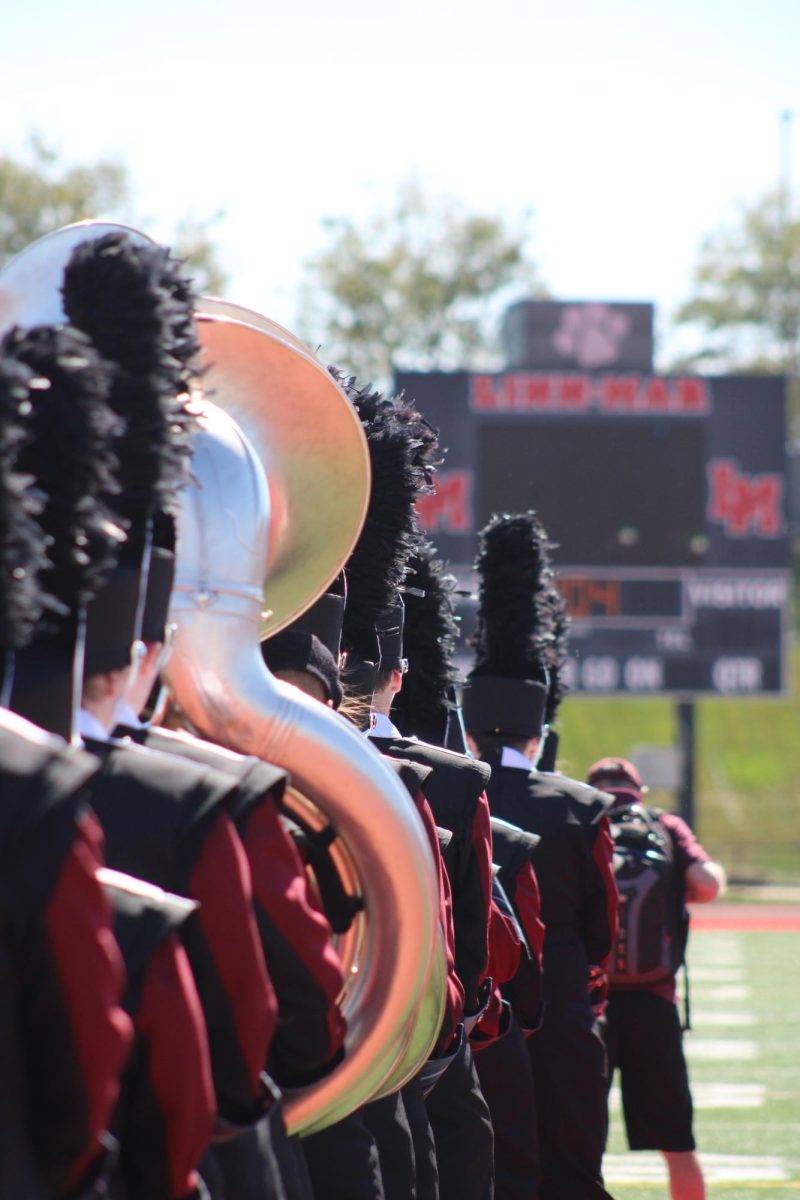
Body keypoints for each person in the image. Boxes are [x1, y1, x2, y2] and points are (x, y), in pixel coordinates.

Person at [464, 511, 618, 1200]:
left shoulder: (442, 788)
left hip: (473, 1023)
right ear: (537, 731)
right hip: (560, 1016)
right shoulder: (581, 807)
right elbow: (600, 930)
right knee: (571, 1175)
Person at [586, 757, 726, 1200]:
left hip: (589, 1005)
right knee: (677, 1143)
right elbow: (706, 884)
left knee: (576, 1140)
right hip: (655, 1004)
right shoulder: (664, 825)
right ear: (638, 790)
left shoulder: (579, 815)